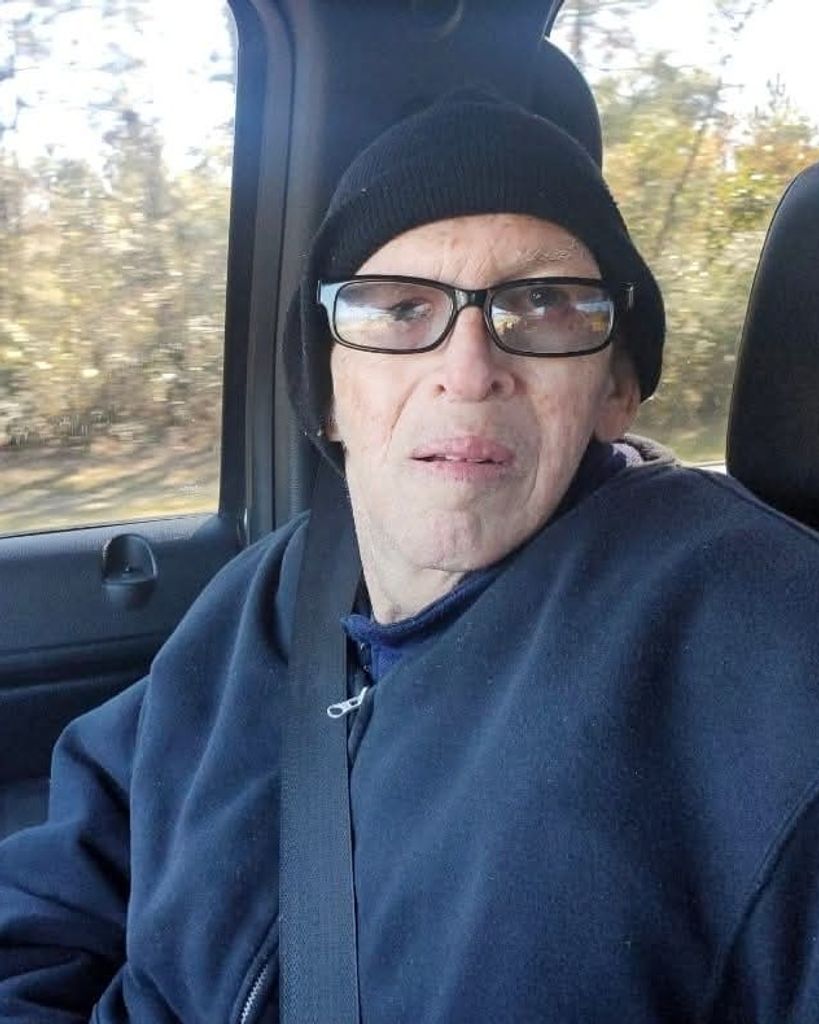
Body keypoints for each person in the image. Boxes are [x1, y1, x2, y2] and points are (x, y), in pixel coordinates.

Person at [2, 90, 819, 1024]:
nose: (468, 373)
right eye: (397, 309)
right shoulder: (268, 594)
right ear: (326, 393)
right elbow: (49, 904)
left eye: (542, 305)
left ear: (616, 388)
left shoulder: (769, 650)